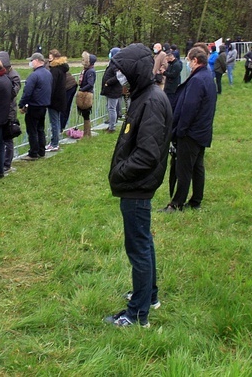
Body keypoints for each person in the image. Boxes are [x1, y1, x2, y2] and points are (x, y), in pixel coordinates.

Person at [104, 43, 172, 328]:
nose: (120, 81)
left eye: (123, 75)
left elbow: (147, 154)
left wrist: (118, 173)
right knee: (144, 242)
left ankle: (137, 313)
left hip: (136, 186)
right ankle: (149, 294)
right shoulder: (144, 96)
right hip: (136, 185)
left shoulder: (151, 101)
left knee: (139, 247)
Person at [161, 47, 217, 212]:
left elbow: (189, 107)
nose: (187, 64)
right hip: (202, 131)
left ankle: (177, 203)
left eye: (189, 60)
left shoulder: (197, 80)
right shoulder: (207, 77)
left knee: (183, 168)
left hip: (191, 132)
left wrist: (180, 130)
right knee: (197, 167)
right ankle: (196, 200)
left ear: (195, 60)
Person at [19, 52, 52, 160]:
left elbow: (27, 92)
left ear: (37, 61)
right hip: (44, 105)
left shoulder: (34, 75)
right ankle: (41, 151)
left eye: (31, 61)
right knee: (40, 129)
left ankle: (33, 152)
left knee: (32, 130)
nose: (30, 63)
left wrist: (22, 104)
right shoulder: (48, 73)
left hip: (34, 105)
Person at [0, 51, 21, 172]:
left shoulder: (14, 76)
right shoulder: (1, 75)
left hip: (9, 111)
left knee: (8, 138)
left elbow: (13, 92)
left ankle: (7, 163)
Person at [47, 49, 69, 148]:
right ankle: (55, 141)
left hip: (55, 99)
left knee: (54, 122)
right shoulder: (61, 68)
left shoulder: (55, 70)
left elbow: (52, 85)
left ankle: (55, 143)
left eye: (50, 56)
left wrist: (48, 98)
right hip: (60, 98)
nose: (49, 58)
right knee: (57, 121)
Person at [100, 47, 123, 134]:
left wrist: (108, 82)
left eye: (110, 53)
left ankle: (112, 127)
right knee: (109, 107)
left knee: (112, 108)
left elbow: (118, 76)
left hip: (113, 90)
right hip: (110, 90)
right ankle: (110, 125)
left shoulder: (116, 65)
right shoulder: (113, 63)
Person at [77, 51, 97, 137]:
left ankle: (87, 133)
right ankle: (87, 133)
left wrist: (82, 89)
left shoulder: (90, 71)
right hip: (84, 93)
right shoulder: (87, 70)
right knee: (85, 114)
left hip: (86, 94)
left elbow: (90, 83)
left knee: (86, 114)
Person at [60, 57, 78, 132]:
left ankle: (61, 127)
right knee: (66, 107)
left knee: (63, 107)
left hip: (68, 87)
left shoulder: (50, 66)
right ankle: (62, 126)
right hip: (71, 85)